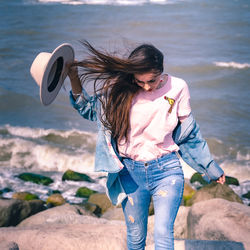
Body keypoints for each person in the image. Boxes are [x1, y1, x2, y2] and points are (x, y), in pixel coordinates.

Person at [67, 41, 225, 250]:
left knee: (162, 234)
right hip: (130, 173)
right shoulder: (120, 90)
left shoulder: (178, 88)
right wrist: (73, 76)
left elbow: (190, 134)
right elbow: (87, 109)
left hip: (167, 170)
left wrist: (209, 166)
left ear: (161, 70)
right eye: (140, 81)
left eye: (152, 80)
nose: (147, 87)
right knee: (136, 238)